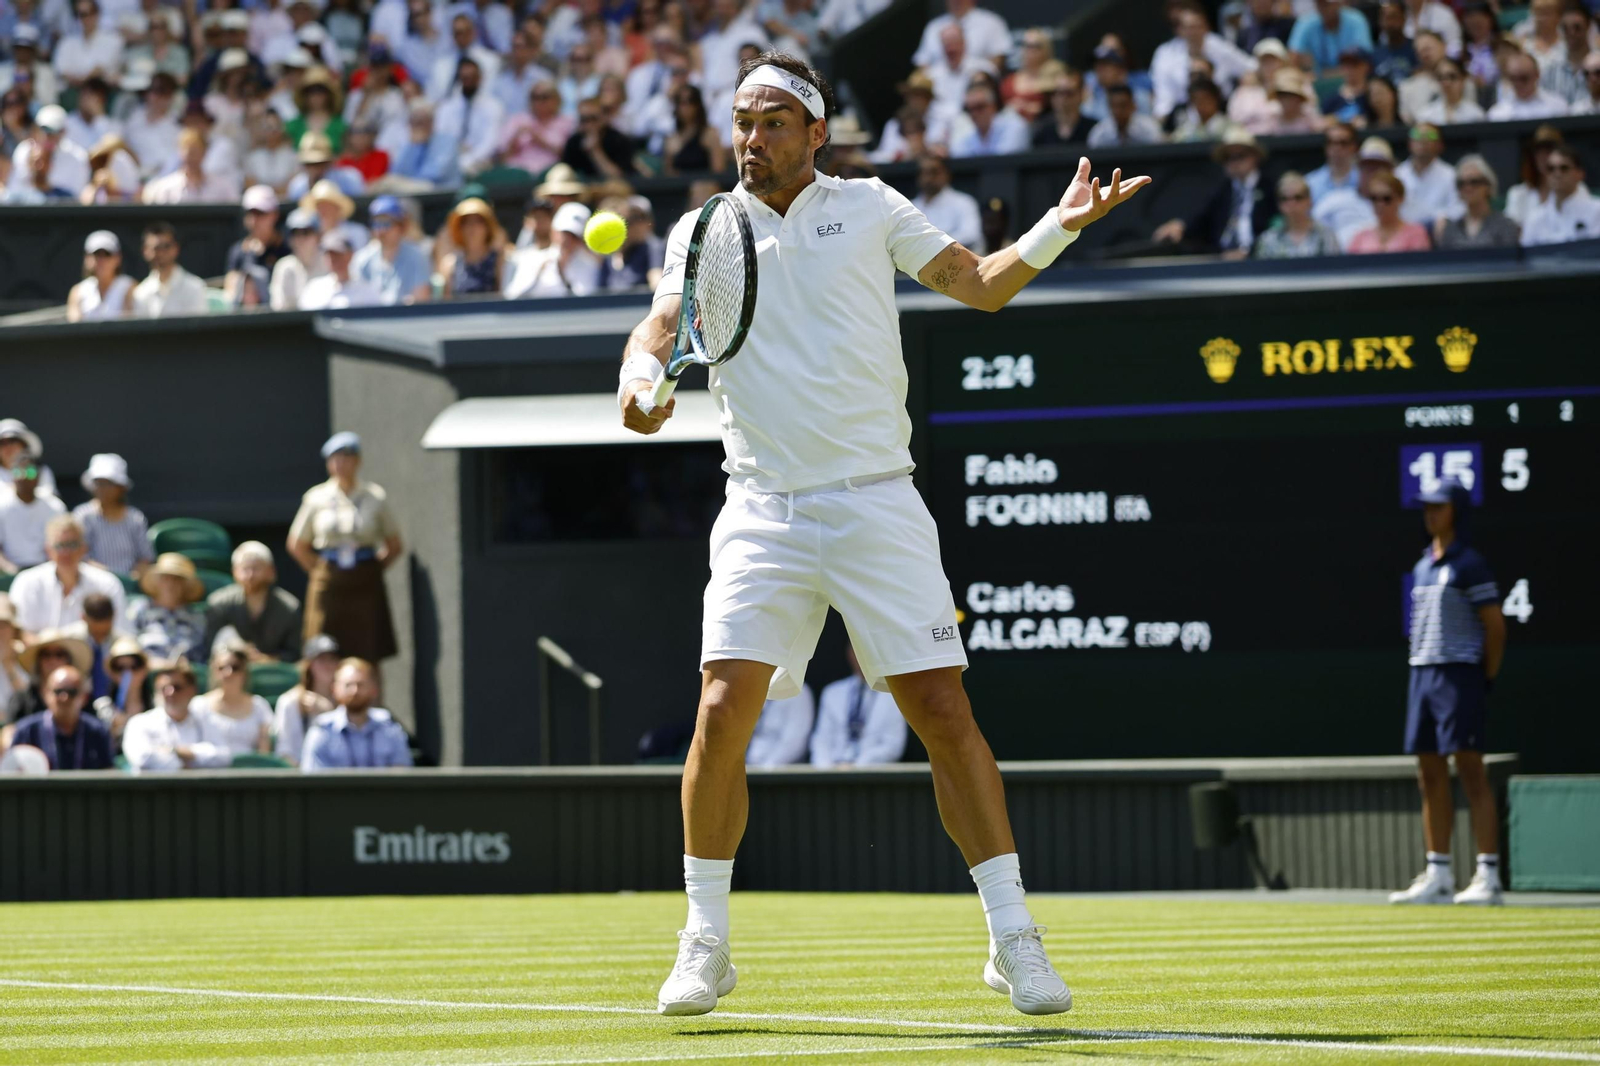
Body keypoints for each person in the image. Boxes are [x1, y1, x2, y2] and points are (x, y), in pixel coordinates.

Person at [620, 50, 1148, 1019]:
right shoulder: (703, 227)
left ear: (816, 133)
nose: (752, 138)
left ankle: (1013, 939)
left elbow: (980, 285)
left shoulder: (870, 207)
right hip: (761, 509)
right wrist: (639, 379)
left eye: (773, 121)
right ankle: (705, 942)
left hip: (875, 500)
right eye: (742, 121)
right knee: (720, 713)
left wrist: (1056, 227)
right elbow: (660, 325)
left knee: (943, 713)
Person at [1389, 481, 1506, 907]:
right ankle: (1438, 874)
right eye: (1427, 507)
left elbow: (1495, 627)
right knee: (1429, 772)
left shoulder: (1470, 564)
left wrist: (1482, 677)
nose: (1430, 514)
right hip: (1422, 674)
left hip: (1460, 676)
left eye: (1438, 507)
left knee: (1471, 771)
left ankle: (1488, 876)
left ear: (1455, 510)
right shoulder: (1422, 566)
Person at [288, 432, 402, 664]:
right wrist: (319, 570)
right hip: (329, 577)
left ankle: (369, 689)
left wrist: (373, 569)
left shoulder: (374, 496)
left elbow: (394, 544)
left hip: (365, 577)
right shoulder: (316, 497)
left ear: (357, 461)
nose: (340, 464)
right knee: (321, 645)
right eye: (335, 458)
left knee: (369, 647)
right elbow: (297, 544)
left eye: (346, 458)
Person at [1153, 126, 1273, 256]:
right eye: (1228, 158)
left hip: (1261, 256)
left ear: (1254, 157)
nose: (1234, 162)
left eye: (1240, 156)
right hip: (1221, 256)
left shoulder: (1269, 188)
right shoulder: (1223, 190)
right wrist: (1180, 226)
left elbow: (1276, 226)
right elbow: (1201, 217)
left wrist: (1250, 252)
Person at [9, 515, 127, 637]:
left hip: (92, 649)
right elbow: (19, 631)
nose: (66, 552)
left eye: (72, 545)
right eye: (60, 546)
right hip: (39, 648)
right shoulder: (26, 582)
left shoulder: (107, 583)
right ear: (48, 550)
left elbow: (120, 632)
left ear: (84, 548)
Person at [120, 656, 232, 772]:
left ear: (192, 690)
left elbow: (223, 757)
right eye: (163, 688)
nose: (170, 693)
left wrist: (176, 751)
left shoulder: (206, 719)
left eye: (177, 687)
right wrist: (184, 766)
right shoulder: (139, 723)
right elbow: (142, 757)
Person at [300, 657, 412, 770]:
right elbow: (314, 776)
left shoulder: (389, 728)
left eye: (360, 684)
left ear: (374, 689)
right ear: (334, 689)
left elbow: (402, 772)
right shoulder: (322, 731)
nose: (354, 691)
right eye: (348, 685)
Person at [204, 541, 303, 663]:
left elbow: (294, 653)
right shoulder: (218, 604)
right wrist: (238, 651)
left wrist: (267, 660)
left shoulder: (289, 607)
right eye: (245, 569)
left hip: (272, 670)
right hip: (231, 668)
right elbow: (210, 647)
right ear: (234, 572)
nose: (250, 575)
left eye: (256, 568)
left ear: (271, 571)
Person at [1150, 6, 1255, 121]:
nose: (1194, 32)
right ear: (1180, 30)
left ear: (1206, 27)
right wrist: (1163, 119)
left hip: (1222, 110)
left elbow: (1250, 66)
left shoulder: (1220, 46)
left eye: (1198, 26)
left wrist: (1247, 80)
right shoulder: (1165, 54)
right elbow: (1163, 97)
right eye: (1189, 27)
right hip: (1183, 114)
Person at [809, 645, 908, 766]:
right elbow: (821, 740)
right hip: (832, 769)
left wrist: (857, 766)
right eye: (856, 650)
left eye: (867, 651)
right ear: (849, 653)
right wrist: (825, 769)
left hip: (872, 772)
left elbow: (893, 745)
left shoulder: (894, 695)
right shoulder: (832, 692)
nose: (862, 657)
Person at [9, 665, 113, 769]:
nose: (64, 698)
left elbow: (108, 772)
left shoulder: (98, 731)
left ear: (84, 697)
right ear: (45, 694)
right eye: (58, 691)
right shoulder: (27, 731)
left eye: (71, 692)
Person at [272, 634, 353, 765]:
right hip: (303, 774)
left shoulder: (349, 699)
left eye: (332, 659)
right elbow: (285, 752)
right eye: (321, 659)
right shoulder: (290, 701)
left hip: (340, 773)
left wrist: (329, 712)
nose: (328, 665)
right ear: (309, 664)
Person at [70, 452, 152, 578]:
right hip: (93, 583)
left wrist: (132, 578)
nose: (102, 489)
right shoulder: (82, 516)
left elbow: (146, 557)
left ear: (121, 488)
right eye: (98, 483)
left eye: (108, 483)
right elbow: (79, 556)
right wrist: (108, 578)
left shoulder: (136, 518)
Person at [190, 642, 274, 758]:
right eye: (221, 668)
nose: (228, 673)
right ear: (214, 671)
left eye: (235, 667)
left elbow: (264, 753)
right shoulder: (198, 705)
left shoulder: (259, 706)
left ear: (244, 671)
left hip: (249, 768)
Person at [503, 200, 600, 297]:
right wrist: (536, 276)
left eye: (574, 236)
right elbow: (512, 296)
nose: (567, 239)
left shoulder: (591, 264)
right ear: (554, 231)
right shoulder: (532, 259)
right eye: (564, 233)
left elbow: (585, 298)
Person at [3, 628, 92, 729]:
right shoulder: (22, 699)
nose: (53, 660)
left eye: (59, 655)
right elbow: (9, 732)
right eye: (46, 655)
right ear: (38, 661)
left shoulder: (81, 695)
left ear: (68, 660)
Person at [352, 195, 432, 305]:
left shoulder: (417, 257)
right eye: (377, 223)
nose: (381, 230)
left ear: (401, 226)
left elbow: (420, 300)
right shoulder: (362, 259)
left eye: (386, 223)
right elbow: (357, 300)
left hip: (405, 316)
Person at [128, 552, 208, 662]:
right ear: (157, 581)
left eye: (177, 579)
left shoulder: (196, 616)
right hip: (146, 667)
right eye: (165, 578)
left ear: (185, 586)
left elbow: (202, 651)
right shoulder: (140, 608)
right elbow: (127, 642)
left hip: (187, 669)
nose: (170, 584)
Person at [221, 184, 289, 309]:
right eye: (250, 214)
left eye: (260, 213)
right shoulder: (238, 251)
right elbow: (231, 292)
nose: (254, 220)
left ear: (275, 215)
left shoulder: (287, 249)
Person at [1435, 154, 1520, 249]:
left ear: (1488, 186)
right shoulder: (1450, 229)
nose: (1467, 188)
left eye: (1474, 182)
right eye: (1461, 183)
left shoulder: (1505, 225)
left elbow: (1509, 257)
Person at [1521, 146, 1600, 247]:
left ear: (1580, 173)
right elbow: (1526, 254)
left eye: (1564, 168)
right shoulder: (1535, 218)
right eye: (1550, 169)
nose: (1557, 174)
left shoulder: (1597, 211)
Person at [0, 453, 65, 575]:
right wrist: (11, 570)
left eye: (30, 472)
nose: (23, 477)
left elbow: (61, 544)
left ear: (39, 476)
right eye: (18, 472)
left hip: (48, 571)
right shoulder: (2, 505)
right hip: (10, 573)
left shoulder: (55, 506)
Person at [1255, 171, 1341, 259]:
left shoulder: (1326, 236)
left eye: (1298, 197)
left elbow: (1335, 267)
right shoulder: (1268, 240)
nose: (1291, 203)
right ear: (1278, 204)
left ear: (1309, 201)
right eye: (1285, 199)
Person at [132, 222, 209, 318]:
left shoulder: (195, 287)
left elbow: (198, 326)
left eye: (166, 246)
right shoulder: (141, 293)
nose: (161, 253)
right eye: (156, 248)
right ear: (145, 250)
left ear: (176, 248)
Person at [1394, 123, 1462, 228]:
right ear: (1409, 143)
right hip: (1403, 232)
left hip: (1438, 231)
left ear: (1440, 145)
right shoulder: (1397, 175)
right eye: (1417, 135)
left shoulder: (1451, 175)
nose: (1423, 139)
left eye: (1431, 135)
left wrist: (1440, 219)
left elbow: (1458, 209)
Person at [63, 591, 125, 704]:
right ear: (83, 617)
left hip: (114, 701)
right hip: (73, 701)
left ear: (114, 616)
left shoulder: (124, 643)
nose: (99, 638)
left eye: (104, 632)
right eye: (96, 632)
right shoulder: (68, 640)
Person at [499, 81, 573, 175]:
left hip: (551, 172)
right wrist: (514, 139)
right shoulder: (517, 120)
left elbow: (568, 156)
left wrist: (538, 138)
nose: (539, 102)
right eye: (534, 97)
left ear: (557, 100)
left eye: (544, 97)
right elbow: (502, 158)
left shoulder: (567, 123)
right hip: (517, 172)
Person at [912, 0, 1009, 71]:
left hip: (977, 86)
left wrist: (980, 78)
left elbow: (999, 57)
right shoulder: (933, 26)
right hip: (938, 87)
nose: (955, 1)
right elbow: (922, 62)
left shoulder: (991, 22)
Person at [298, 228, 383, 310]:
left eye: (338, 254)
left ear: (350, 255)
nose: (333, 259)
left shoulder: (367, 291)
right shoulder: (314, 289)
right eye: (329, 254)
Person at [1347, 172, 1431, 253]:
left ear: (1400, 199)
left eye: (1386, 199)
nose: (1380, 204)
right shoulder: (1360, 237)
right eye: (1374, 198)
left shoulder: (1416, 234)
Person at [90, 635, 149, 749]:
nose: (128, 673)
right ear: (112, 673)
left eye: (134, 666)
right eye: (120, 668)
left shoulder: (159, 703)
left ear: (144, 670)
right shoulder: (102, 707)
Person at [911, 153, 980, 250]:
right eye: (923, 173)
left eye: (934, 172)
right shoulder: (910, 206)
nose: (928, 178)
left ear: (946, 174)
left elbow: (970, 235)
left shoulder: (964, 202)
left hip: (955, 256)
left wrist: (933, 243)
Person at [440, 196, 506, 296]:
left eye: (478, 221)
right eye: (466, 222)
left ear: (487, 227)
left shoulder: (499, 261)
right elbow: (445, 300)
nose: (472, 227)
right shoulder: (449, 264)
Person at [561, 93, 639, 178]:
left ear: (605, 117)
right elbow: (565, 172)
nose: (589, 124)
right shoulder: (574, 141)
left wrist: (595, 151)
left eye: (593, 118)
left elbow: (619, 177)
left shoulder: (620, 140)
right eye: (584, 119)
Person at [595, 195, 664, 290]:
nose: (634, 225)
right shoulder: (608, 257)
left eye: (639, 218)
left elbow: (656, 282)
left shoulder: (652, 247)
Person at [1289, 0, 1374, 75]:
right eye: (1320, 3)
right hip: (1316, 81)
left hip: (1349, 78)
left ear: (1338, 3)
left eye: (1328, 4)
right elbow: (1293, 58)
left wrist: (1324, 75)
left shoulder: (1356, 20)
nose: (1324, 8)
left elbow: (1365, 60)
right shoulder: (1306, 22)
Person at [66, 230, 136, 321]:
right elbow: (74, 325)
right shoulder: (78, 291)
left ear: (118, 258)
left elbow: (128, 325)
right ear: (87, 259)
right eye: (96, 255)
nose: (101, 261)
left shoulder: (129, 287)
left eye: (107, 254)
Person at [949, 82, 1029, 158]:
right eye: (970, 109)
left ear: (993, 106)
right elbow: (958, 154)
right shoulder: (967, 134)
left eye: (979, 107)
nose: (974, 113)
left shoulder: (1014, 126)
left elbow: (1003, 161)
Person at [270, 208, 328, 310]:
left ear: (318, 237)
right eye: (295, 233)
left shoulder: (330, 262)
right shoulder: (284, 267)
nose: (301, 238)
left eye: (306, 232)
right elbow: (280, 309)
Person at [1505, 125, 1564, 226]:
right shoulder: (1518, 194)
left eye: (1549, 150)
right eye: (1538, 151)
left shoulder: (1575, 190)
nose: (1543, 157)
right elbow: (1512, 230)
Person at [744, 684, 814, 767]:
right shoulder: (753, 687)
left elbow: (793, 743)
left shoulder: (797, 690)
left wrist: (766, 768)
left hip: (779, 769)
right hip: (747, 764)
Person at [661, 84, 724, 175]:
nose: (685, 107)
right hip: (681, 183)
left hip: (705, 182)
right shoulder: (671, 140)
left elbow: (718, 169)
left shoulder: (709, 134)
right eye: (681, 102)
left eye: (690, 101)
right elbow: (669, 173)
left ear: (698, 105)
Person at [1488, 53, 1568, 120]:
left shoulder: (1557, 107)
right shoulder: (1498, 113)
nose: (1518, 83)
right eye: (1513, 78)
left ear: (1537, 75)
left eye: (1523, 78)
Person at [1086, 84, 1164, 148]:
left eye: (1123, 105)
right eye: (1114, 106)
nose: (1118, 111)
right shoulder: (1100, 133)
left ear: (1133, 106)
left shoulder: (1149, 128)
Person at [1031, 68, 1094, 147]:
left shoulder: (1093, 130)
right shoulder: (1041, 130)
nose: (1063, 99)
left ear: (1081, 94)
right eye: (1059, 93)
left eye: (1069, 93)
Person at [1417, 56, 1486, 124]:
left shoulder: (1476, 115)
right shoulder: (1426, 116)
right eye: (1441, 78)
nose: (1446, 83)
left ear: (1463, 79)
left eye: (1452, 77)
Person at [0, 420, 57, 497]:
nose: (8, 447)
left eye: (13, 441)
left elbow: (49, 497)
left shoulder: (41, 471)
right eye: (2, 443)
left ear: (24, 445)